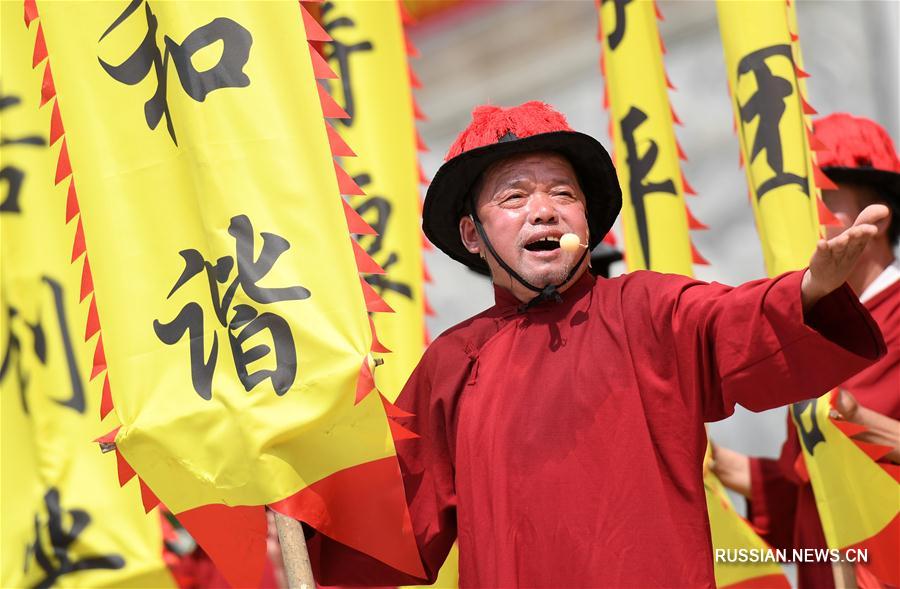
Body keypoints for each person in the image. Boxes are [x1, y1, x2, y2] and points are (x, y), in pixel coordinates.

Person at [308, 102, 887, 588]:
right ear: (471, 235)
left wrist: (811, 289)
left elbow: (732, 320)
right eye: (514, 197)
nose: (543, 208)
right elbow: (391, 520)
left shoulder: (646, 309)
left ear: (586, 221)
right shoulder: (451, 364)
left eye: (563, 193)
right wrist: (296, 498)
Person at [711, 113, 900, 589]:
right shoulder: (811, 328)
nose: (801, 224)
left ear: (877, 216)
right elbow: (812, 491)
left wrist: (866, 425)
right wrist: (719, 464)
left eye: (817, 201)